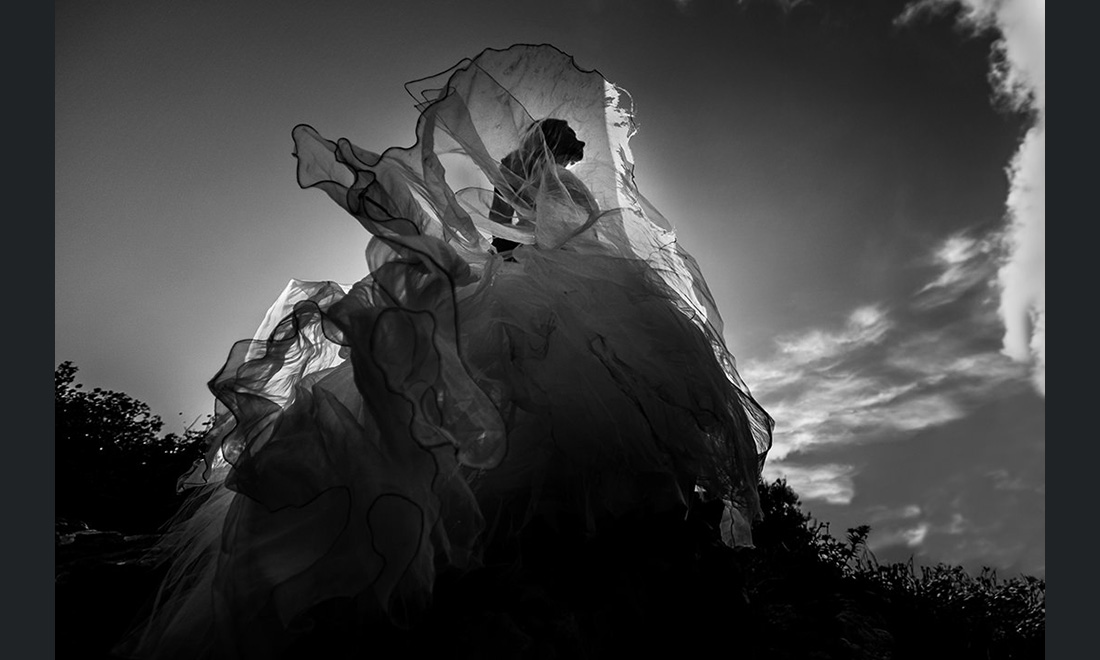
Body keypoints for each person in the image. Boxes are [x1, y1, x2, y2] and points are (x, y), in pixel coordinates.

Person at [116, 44, 772, 660]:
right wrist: (554, 261)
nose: (573, 163)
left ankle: (594, 528)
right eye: (568, 153)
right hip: (545, 292)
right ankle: (537, 543)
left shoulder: (549, 186)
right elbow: (512, 243)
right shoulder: (533, 187)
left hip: (567, 285)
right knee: (543, 402)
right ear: (555, 150)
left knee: (589, 403)